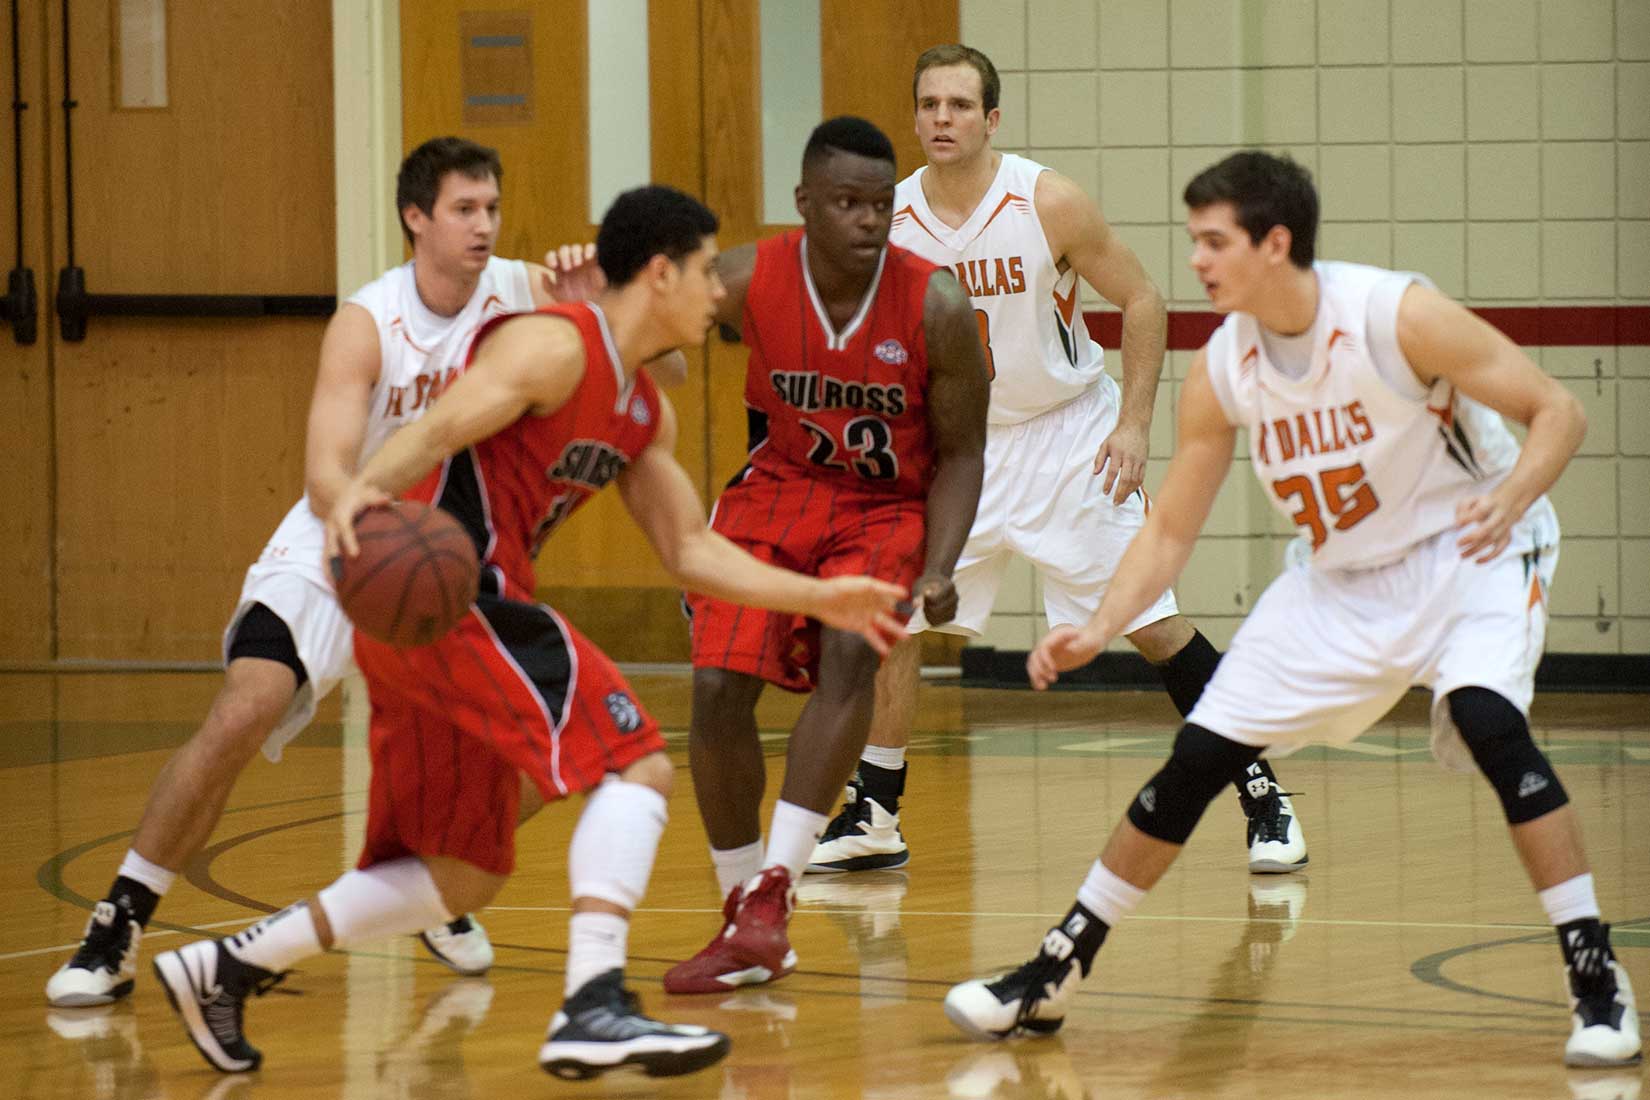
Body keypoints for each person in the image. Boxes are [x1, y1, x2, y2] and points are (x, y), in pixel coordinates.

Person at [149, 183, 911, 1079]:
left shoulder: (642, 410)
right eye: (707, 271)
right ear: (659, 274)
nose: (719, 292)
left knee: (462, 872)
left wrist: (823, 599)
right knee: (637, 761)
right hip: (450, 595)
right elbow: (435, 429)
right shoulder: (555, 345)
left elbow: (692, 551)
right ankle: (594, 1004)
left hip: (434, 621)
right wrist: (356, 503)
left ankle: (229, 967)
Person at [944, 151, 1640, 1069]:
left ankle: (1596, 976)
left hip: (1472, 554)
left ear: (1275, 243)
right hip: (1341, 576)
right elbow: (1169, 530)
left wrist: (1510, 498)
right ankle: (1055, 970)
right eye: (1194, 241)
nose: (1196, 259)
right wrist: (1101, 626)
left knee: (1488, 723)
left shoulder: (1395, 315)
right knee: (1200, 755)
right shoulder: (1224, 368)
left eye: (1214, 241)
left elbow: (1558, 412)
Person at [45, 137, 564, 1007]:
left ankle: (429, 877)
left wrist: (595, 300)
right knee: (244, 706)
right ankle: (119, 922)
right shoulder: (370, 319)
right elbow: (327, 473)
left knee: (545, 747)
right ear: (416, 218)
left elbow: (660, 365)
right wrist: (389, 540)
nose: (484, 226)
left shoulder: (526, 293)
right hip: (344, 539)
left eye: (492, 209)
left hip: (456, 566)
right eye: (464, 210)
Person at [807, 45, 1309, 880]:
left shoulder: (1047, 201)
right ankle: (875, 813)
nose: (941, 118)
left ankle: (1261, 791)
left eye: (959, 105)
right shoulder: (889, 220)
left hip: (1068, 436)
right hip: (959, 449)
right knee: (894, 616)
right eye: (929, 104)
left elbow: (1142, 299)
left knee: (1150, 621)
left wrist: (1134, 424)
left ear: (991, 118)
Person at [661, 116, 990, 994]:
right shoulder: (743, 279)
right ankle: (743, 912)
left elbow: (962, 454)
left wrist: (941, 564)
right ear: (804, 203)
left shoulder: (936, 306)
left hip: (884, 508)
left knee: (850, 655)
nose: (868, 220)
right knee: (716, 685)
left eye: (881, 204)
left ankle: (775, 889)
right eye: (847, 203)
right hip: (779, 488)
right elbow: (641, 331)